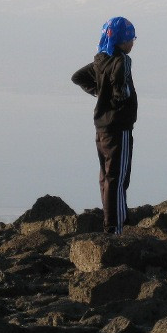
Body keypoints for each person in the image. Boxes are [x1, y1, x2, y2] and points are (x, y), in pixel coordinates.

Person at [72, 16, 138, 235]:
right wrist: (119, 97)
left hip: (101, 128)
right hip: (119, 127)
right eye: (131, 38)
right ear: (122, 40)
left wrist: (99, 93)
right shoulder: (122, 60)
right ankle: (115, 227)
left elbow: (78, 77)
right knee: (118, 177)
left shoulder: (100, 59)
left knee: (107, 176)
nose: (133, 43)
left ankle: (116, 220)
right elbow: (121, 88)